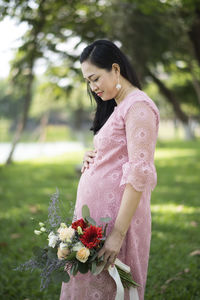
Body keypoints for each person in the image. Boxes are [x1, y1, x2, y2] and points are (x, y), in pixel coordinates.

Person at [60, 39, 160, 300]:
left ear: (115, 69)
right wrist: (94, 156)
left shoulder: (139, 106)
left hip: (117, 220)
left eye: (95, 78)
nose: (93, 88)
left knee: (112, 287)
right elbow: (119, 153)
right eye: (88, 82)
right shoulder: (120, 105)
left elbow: (139, 172)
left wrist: (117, 234)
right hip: (96, 220)